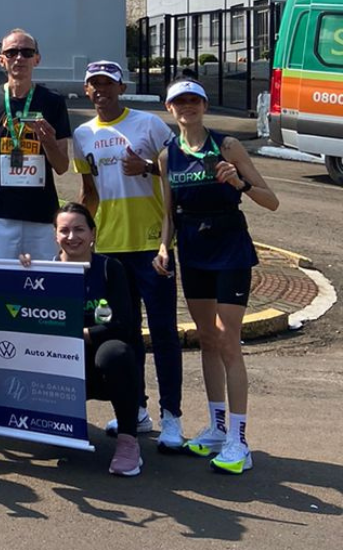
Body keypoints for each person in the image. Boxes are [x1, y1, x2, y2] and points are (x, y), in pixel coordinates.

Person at [155, 80, 278, 475]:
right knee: (207, 338)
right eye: (180, 101)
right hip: (192, 250)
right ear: (170, 109)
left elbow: (270, 199)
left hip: (229, 249)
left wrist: (238, 182)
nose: (187, 107)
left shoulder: (226, 146)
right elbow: (168, 211)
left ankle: (239, 441)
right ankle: (216, 426)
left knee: (228, 340)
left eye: (194, 100)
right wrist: (163, 247)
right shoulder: (167, 155)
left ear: (204, 106)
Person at [72, 60, 184, 449]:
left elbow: (180, 171)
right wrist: (74, 232)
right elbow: (89, 190)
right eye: (94, 85)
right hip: (110, 250)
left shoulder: (148, 124)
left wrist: (149, 167)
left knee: (165, 333)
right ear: (87, 90)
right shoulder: (82, 134)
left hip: (152, 246)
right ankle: (136, 409)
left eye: (108, 84)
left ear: (121, 88)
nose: (100, 90)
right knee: (126, 332)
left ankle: (173, 417)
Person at [0, 29, 71, 420]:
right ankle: (5, 392)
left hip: (41, 216)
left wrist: (46, 140)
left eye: (27, 52)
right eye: (12, 52)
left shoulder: (52, 102)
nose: (19, 58)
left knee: (42, 303)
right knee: (3, 306)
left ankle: (42, 390)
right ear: (1, 59)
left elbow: (61, 166)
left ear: (37, 59)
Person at [20, 203, 147, 476]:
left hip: (100, 363)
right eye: (64, 230)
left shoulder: (110, 269)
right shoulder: (43, 270)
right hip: (61, 363)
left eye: (79, 229)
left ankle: (128, 442)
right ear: (55, 235)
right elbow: (24, 321)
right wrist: (20, 275)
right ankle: (55, 422)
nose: (71, 236)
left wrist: (83, 335)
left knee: (116, 353)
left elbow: (124, 324)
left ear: (92, 233)